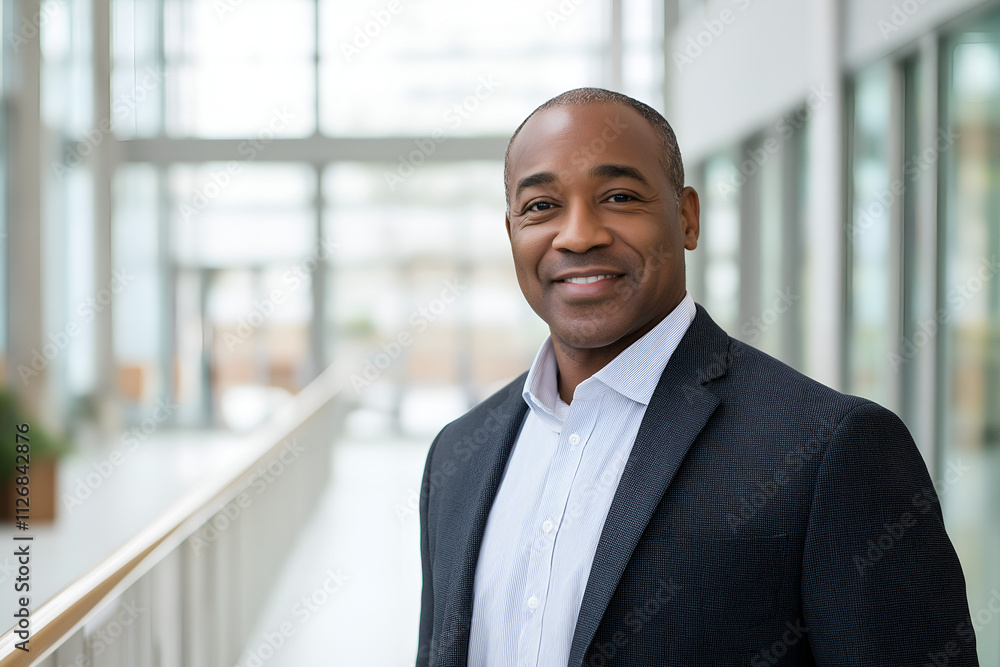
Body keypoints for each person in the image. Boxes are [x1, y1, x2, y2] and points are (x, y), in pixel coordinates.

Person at [416, 88, 976, 667]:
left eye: (618, 196)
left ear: (686, 217)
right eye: (541, 207)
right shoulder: (458, 454)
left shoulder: (830, 448)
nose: (578, 234)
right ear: (511, 232)